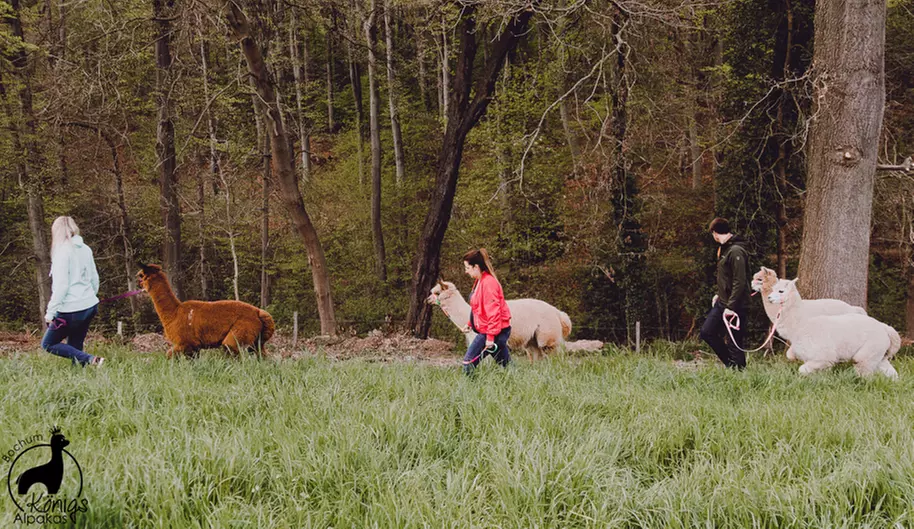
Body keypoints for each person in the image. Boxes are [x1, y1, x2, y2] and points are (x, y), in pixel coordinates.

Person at [41, 216, 104, 367]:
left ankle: (91, 360)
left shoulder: (62, 252)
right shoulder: (86, 249)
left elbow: (61, 287)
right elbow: (94, 277)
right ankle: (79, 379)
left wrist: (50, 313)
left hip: (71, 309)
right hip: (89, 306)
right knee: (76, 345)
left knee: (48, 344)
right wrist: (90, 296)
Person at [700, 217, 750, 369]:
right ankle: (732, 366)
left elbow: (739, 281)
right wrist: (719, 293)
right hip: (722, 302)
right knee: (707, 332)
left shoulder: (736, 251)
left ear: (715, 233)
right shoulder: (725, 249)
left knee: (735, 341)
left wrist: (731, 306)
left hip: (735, 305)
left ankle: (739, 372)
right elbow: (726, 277)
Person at [461, 248, 512, 375]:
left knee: (468, 364)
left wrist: (490, 338)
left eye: (467, 268)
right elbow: (478, 308)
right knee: (507, 365)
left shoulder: (489, 283)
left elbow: (494, 313)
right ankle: (520, 384)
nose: (466, 272)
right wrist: (470, 323)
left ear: (476, 267)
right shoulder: (479, 281)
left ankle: (471, 391)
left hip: (494, 332)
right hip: (490, 330)